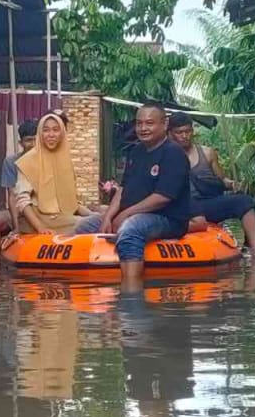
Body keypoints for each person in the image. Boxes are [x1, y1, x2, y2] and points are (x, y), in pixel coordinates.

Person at [76, 103, 191, 283]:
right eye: (139, 123)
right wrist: (108, 216)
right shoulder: (136, 151)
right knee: (85, 227)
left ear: (164, 124)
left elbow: (163, 197)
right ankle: (88, 287)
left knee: (131, 228)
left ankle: (130, 293)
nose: (143, 128)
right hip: (131, 213)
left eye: (149, 123)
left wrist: (126, 214)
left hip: (166, 219)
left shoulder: (173, 153)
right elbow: (122, 189)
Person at [167, 112, 255, 255]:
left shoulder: (208, 153)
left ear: (193, 131)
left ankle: (254, 249)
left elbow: (222, 180)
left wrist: (232, 184)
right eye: (179, 132)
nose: (185, 136)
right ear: (170, 133)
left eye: (188, 131)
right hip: (181, 207)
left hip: (206, 204)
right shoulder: (164, 155)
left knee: (245, 201)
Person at [13, 112, 97, 233]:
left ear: (62, 133)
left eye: (56, 130)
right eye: (46, 130)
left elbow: (71, 203)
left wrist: (93, 215)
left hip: (62, 218)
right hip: (40, 219)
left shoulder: (65, 160)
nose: (51, 135)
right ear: (40, 134)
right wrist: (40, 228)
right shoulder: (28, 161)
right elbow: (22, 201)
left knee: (99, 220)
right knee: (91, 225)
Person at [0, 118, 39, 270]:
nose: (33, 144)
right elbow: (12, 195)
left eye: (36, 140)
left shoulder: (48, 160)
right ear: (21, 143)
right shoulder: (11, 162)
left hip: (43, 208)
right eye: (29, 140)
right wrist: (16, 227)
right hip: (20, 210)